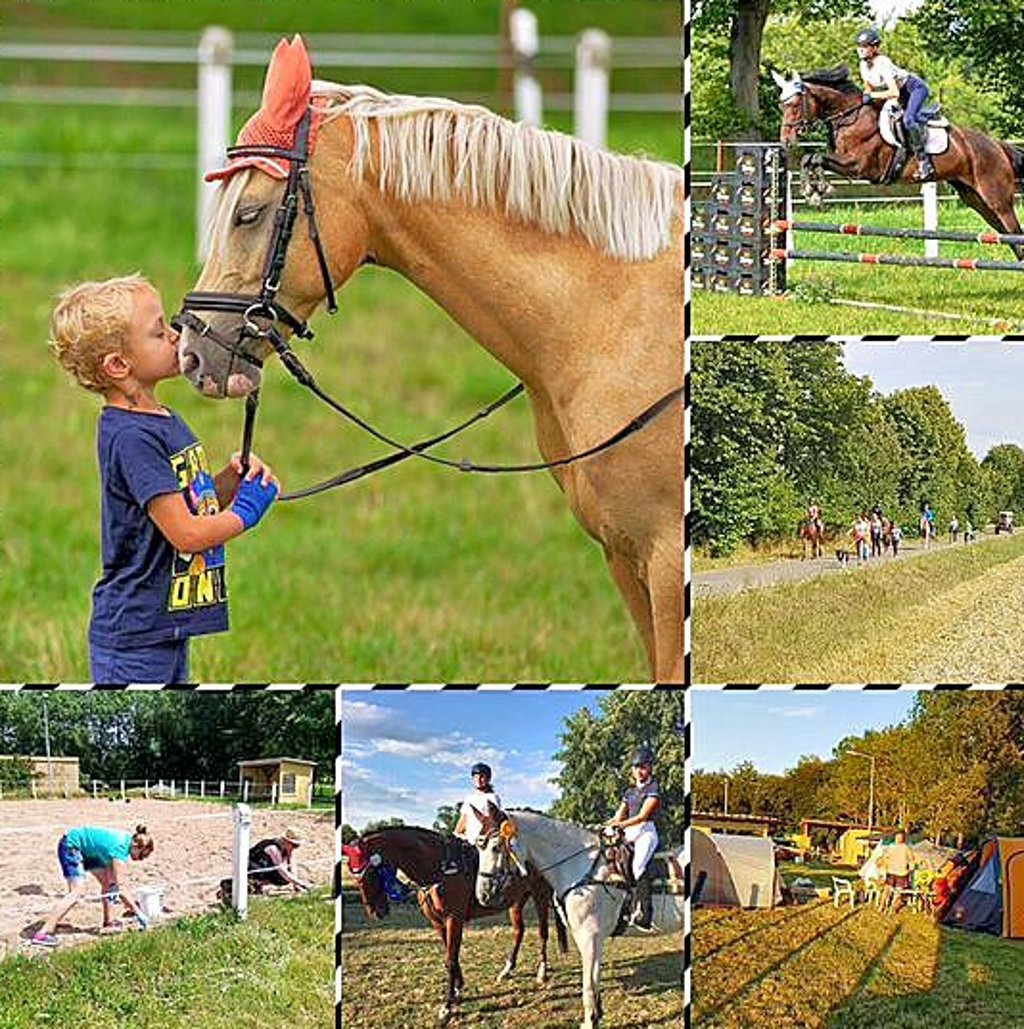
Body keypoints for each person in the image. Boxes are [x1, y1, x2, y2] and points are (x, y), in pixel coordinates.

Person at [49, 275, 280, 684]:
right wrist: (247, 511)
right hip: (134, 638)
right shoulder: (131, 438)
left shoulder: (162, 419)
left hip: (164, 628)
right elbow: (187, 533)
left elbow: (188, 499)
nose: (177, 337)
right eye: (160, 333)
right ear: (119, 365)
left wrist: (231, 480)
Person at [32, 824, 155, 947]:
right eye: (142, 855)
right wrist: (139, 913)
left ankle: (109, 922)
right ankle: (43, 933)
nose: (141, 859)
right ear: (136, 846)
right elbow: (121, 889)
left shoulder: (126, 841)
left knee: (108, 883)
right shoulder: (121, 848)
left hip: (88, 851)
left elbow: (114, 884)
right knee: (77, 892)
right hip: (71, 846)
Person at [856, 27, 936, 181]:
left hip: (914, 89)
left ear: (874, 48)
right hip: (899, 94)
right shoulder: (862, 65)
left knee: (908, 120)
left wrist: (871, 96)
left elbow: (894, 92)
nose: (861, 50)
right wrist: (865, 97)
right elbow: (869, 87)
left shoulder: (882, 63)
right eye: (859, 46)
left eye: (865, 46)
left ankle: (924, 161)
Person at [606, 745, 661, 932]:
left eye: (643, 767)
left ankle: (646, 914)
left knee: (638, 866)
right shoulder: (629, 793)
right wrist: (605, 825)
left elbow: (642, 816)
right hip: (629, 832)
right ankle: (623, 910)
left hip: (645, 832)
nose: (639, 771)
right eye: (636, 767)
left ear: (650, 768)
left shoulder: (653, 788)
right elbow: (618, 816)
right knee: (614, 860)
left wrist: (619, 826)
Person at [219, 827, 311, 904]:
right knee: (255, 884)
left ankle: (257, 885)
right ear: (286, 841)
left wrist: (296, 884)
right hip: (253, 865)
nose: (296, 848)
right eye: (294, 845)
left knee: (283, 880)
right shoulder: (273, 848)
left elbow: (292, 864)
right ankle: (230, 885)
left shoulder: (289, 849)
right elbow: (281, 869)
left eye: (297, 846)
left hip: (266, 866)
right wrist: (301, 883)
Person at [442, 762, 503, 873]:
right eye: (475, 777)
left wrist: (481, 838)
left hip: (484, 842)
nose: (478, 779)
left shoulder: (492, 797)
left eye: (482, 776)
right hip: (469, 842)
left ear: (488, 779)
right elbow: (461, 824)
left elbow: (492, 822)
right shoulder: (469, 799)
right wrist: (457, 835)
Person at [878, 831, 916, 914]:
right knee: (897, 892)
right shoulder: (906, 848)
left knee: (887, 890)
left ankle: (883, 906)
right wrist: (910, 869)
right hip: (901, 872)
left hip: (892, 871)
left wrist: (884, 866)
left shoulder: (891, 847)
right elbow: (912, 860)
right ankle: (891, 908)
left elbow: (884, 858)